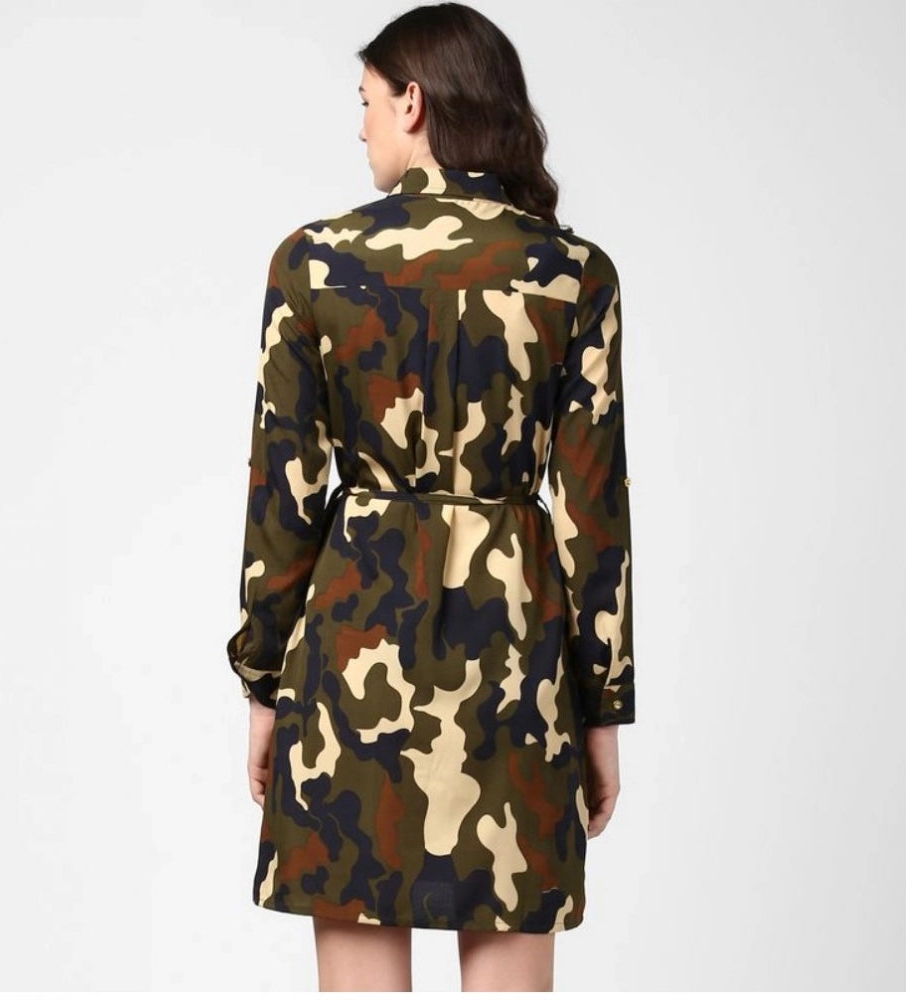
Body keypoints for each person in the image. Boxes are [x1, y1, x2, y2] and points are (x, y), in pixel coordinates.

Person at [225, 2, 635, 990]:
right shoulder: (572, 274)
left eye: (366, 101)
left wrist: (263, 684)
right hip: (516, 669)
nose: (361, 125)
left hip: (349, 659)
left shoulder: (313, 263)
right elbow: (594, 516)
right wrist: (601, 711)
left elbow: (282, 495)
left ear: (413, 102)